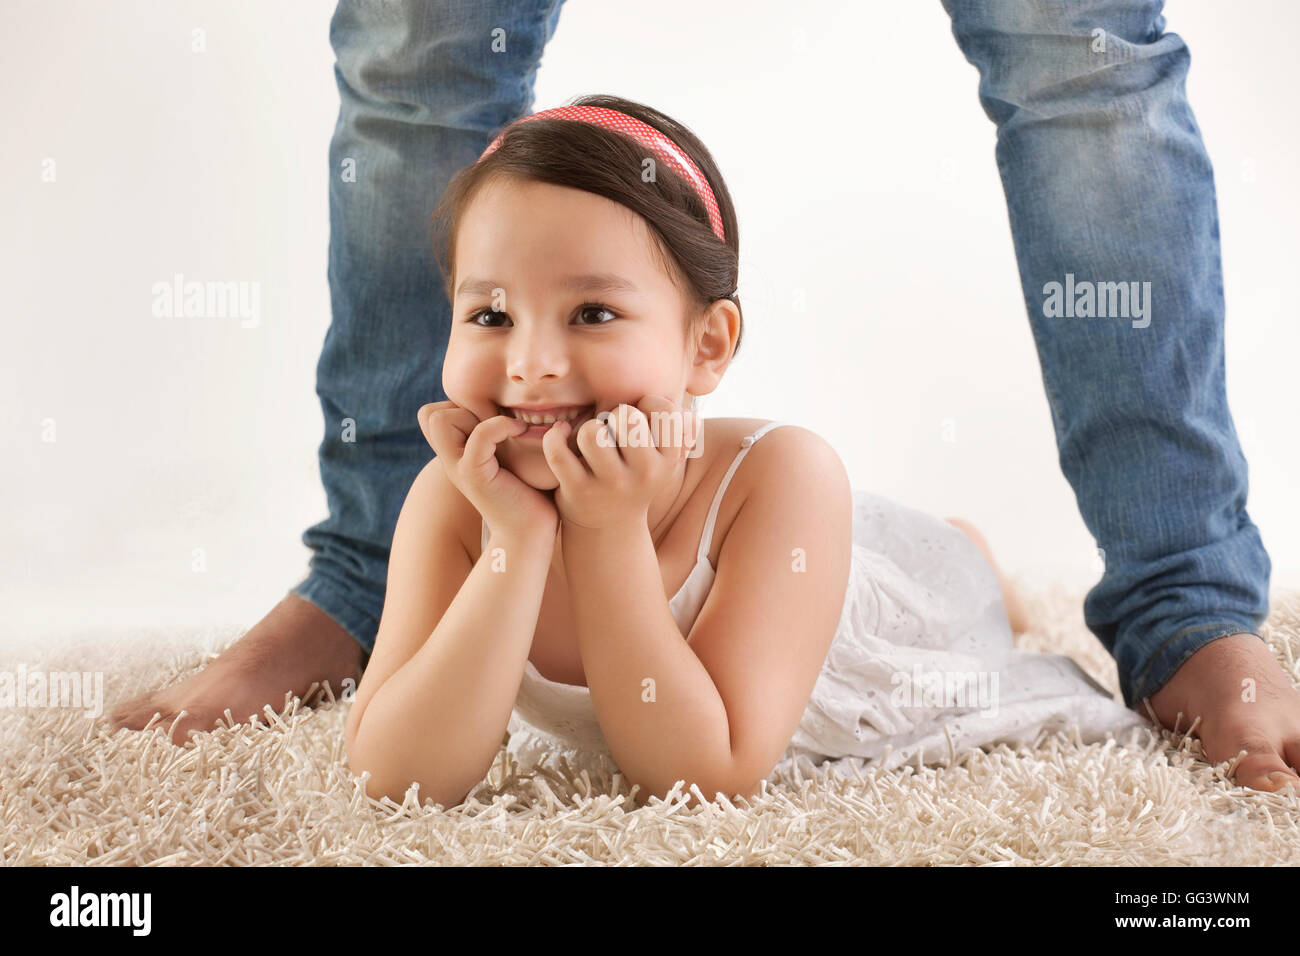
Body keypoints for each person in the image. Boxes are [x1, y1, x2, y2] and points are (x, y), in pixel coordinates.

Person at [110, 0, 1300, 795]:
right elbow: (399, 778)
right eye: (487, 316)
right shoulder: (460, 501)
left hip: (871, 624)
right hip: (706, 575)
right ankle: (347, 595)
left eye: (591, 314)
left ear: (710, 343)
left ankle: (1126, 589)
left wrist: (613, 535)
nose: (527, 366)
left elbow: (704, 773)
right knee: (420, 31)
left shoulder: (783, 473)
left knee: (1072, 30)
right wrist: (514, 546)